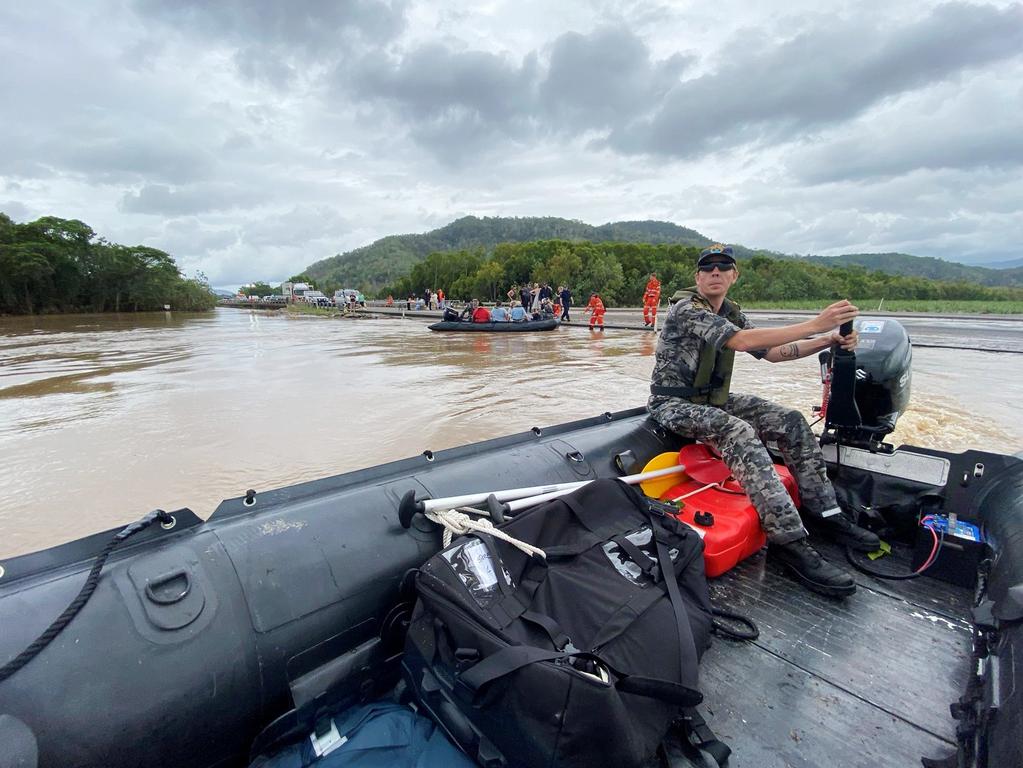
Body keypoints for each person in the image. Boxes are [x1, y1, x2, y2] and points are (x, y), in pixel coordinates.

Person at [647, 244, 879, 598]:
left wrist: (826, 339)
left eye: (723, 267)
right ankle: (789, 541)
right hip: (672, 404)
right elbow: (740, 342)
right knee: (736, 430)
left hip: (714, 400)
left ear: (733, 276)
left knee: (790, 420)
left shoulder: (732, 312)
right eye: (707, 268)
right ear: (697, 277)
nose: (715, 273)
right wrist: (815, 323)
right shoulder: (686, 308)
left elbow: (772, 353)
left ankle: (825, 513)